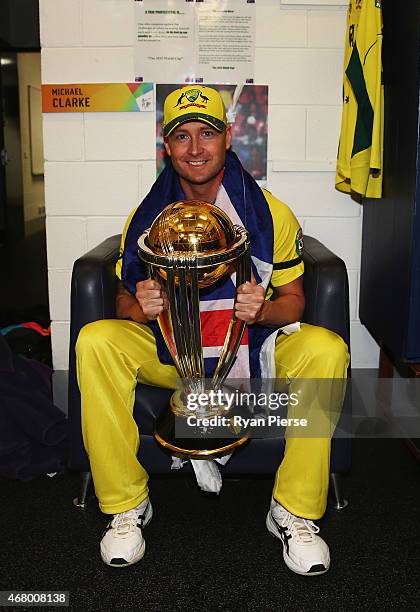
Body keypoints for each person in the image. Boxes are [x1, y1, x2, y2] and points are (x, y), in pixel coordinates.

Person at [76, 85, 349, 574]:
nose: (196, 148)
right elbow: (121, 301)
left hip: (249, 347)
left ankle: (294, 512)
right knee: (95, 340)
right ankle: (125, 505)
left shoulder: (271, 213)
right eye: (182, 136)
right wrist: (140, 306)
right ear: (167, 147)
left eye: (207, 133)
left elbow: (294, 303)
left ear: (228, 137)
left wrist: (260, 311)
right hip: (169, 348)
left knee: (326, 349)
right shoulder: (144, 218)